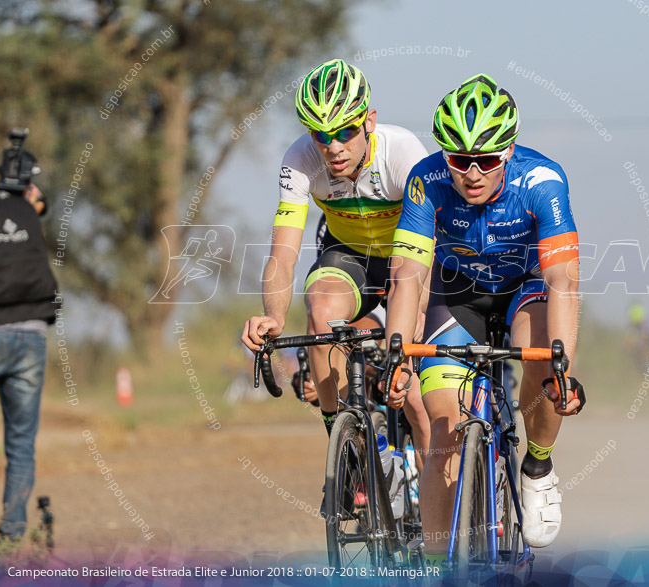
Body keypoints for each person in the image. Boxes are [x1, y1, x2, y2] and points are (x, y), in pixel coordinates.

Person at [384, 74, 583, 557]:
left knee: (542, 356)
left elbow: (563, 282)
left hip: (525, 286)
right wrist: (397, 353)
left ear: (509, 151)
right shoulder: (426, 182)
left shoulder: (543, 181)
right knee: (443, 434)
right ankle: (437, 566)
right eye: (460, 160)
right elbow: (408, 275)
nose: (473, 173)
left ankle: (537, 466)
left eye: (487, 160)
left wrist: (562, 369)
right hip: (458, 294)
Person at [241, 59, 430, 451]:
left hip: (408, 256)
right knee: (322, 312)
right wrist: (274, 317)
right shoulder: (300, 160)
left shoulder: (403, 153)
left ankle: (436, 501)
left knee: (417, 401)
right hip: (347, 254)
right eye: (321, 135)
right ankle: (346, 444)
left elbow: (415, 265)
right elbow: (283, 253)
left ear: (369, 121)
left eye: (345, 130)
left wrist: (408, 344)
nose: (334, 147)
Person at [0, 180, 58, 540]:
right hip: (33, 332)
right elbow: (41, 206)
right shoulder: (23, 206)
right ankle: (11, 538)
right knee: (22, 442)